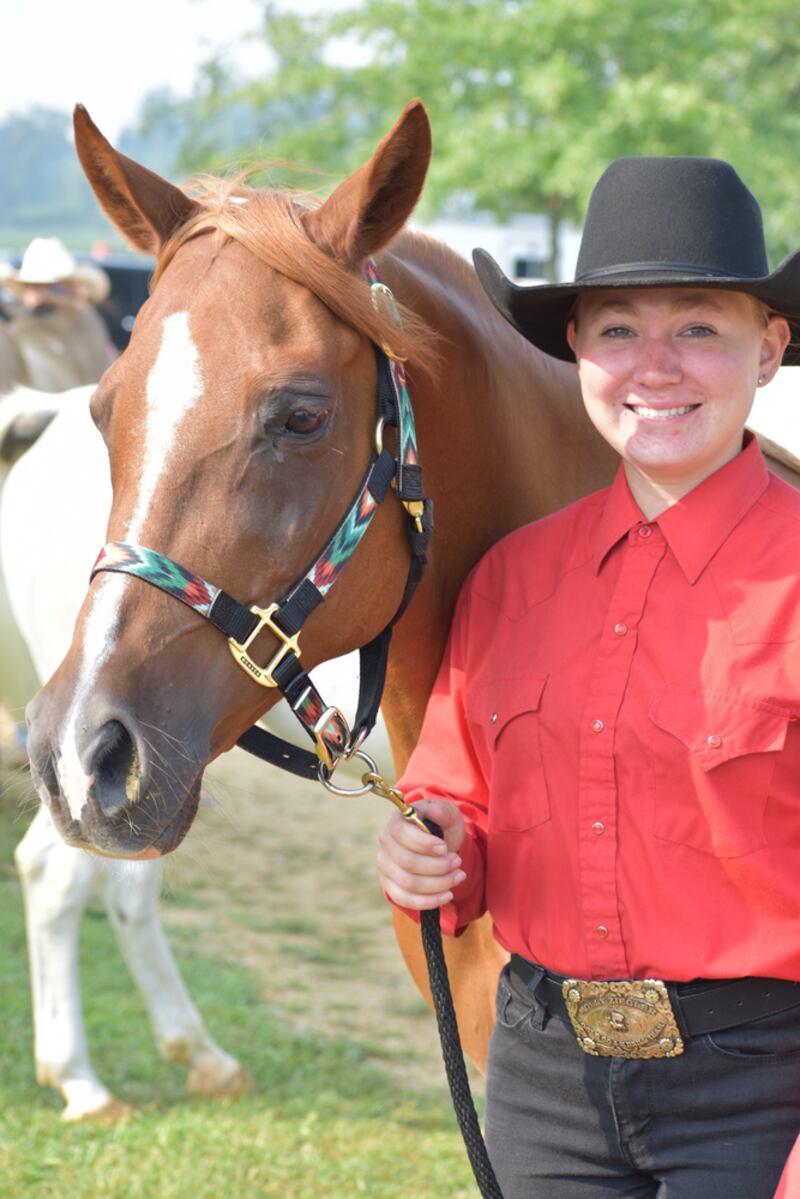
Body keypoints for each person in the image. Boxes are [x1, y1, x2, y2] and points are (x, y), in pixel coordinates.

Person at [376, 155, 800, 1199]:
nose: (652, 366)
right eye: (616, 328)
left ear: (770, 347)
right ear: (574, 349)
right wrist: (431, 849)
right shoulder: (507, 580)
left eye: (697, 325)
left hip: (761, 1094)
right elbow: (454, 796)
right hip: (543, 1082)